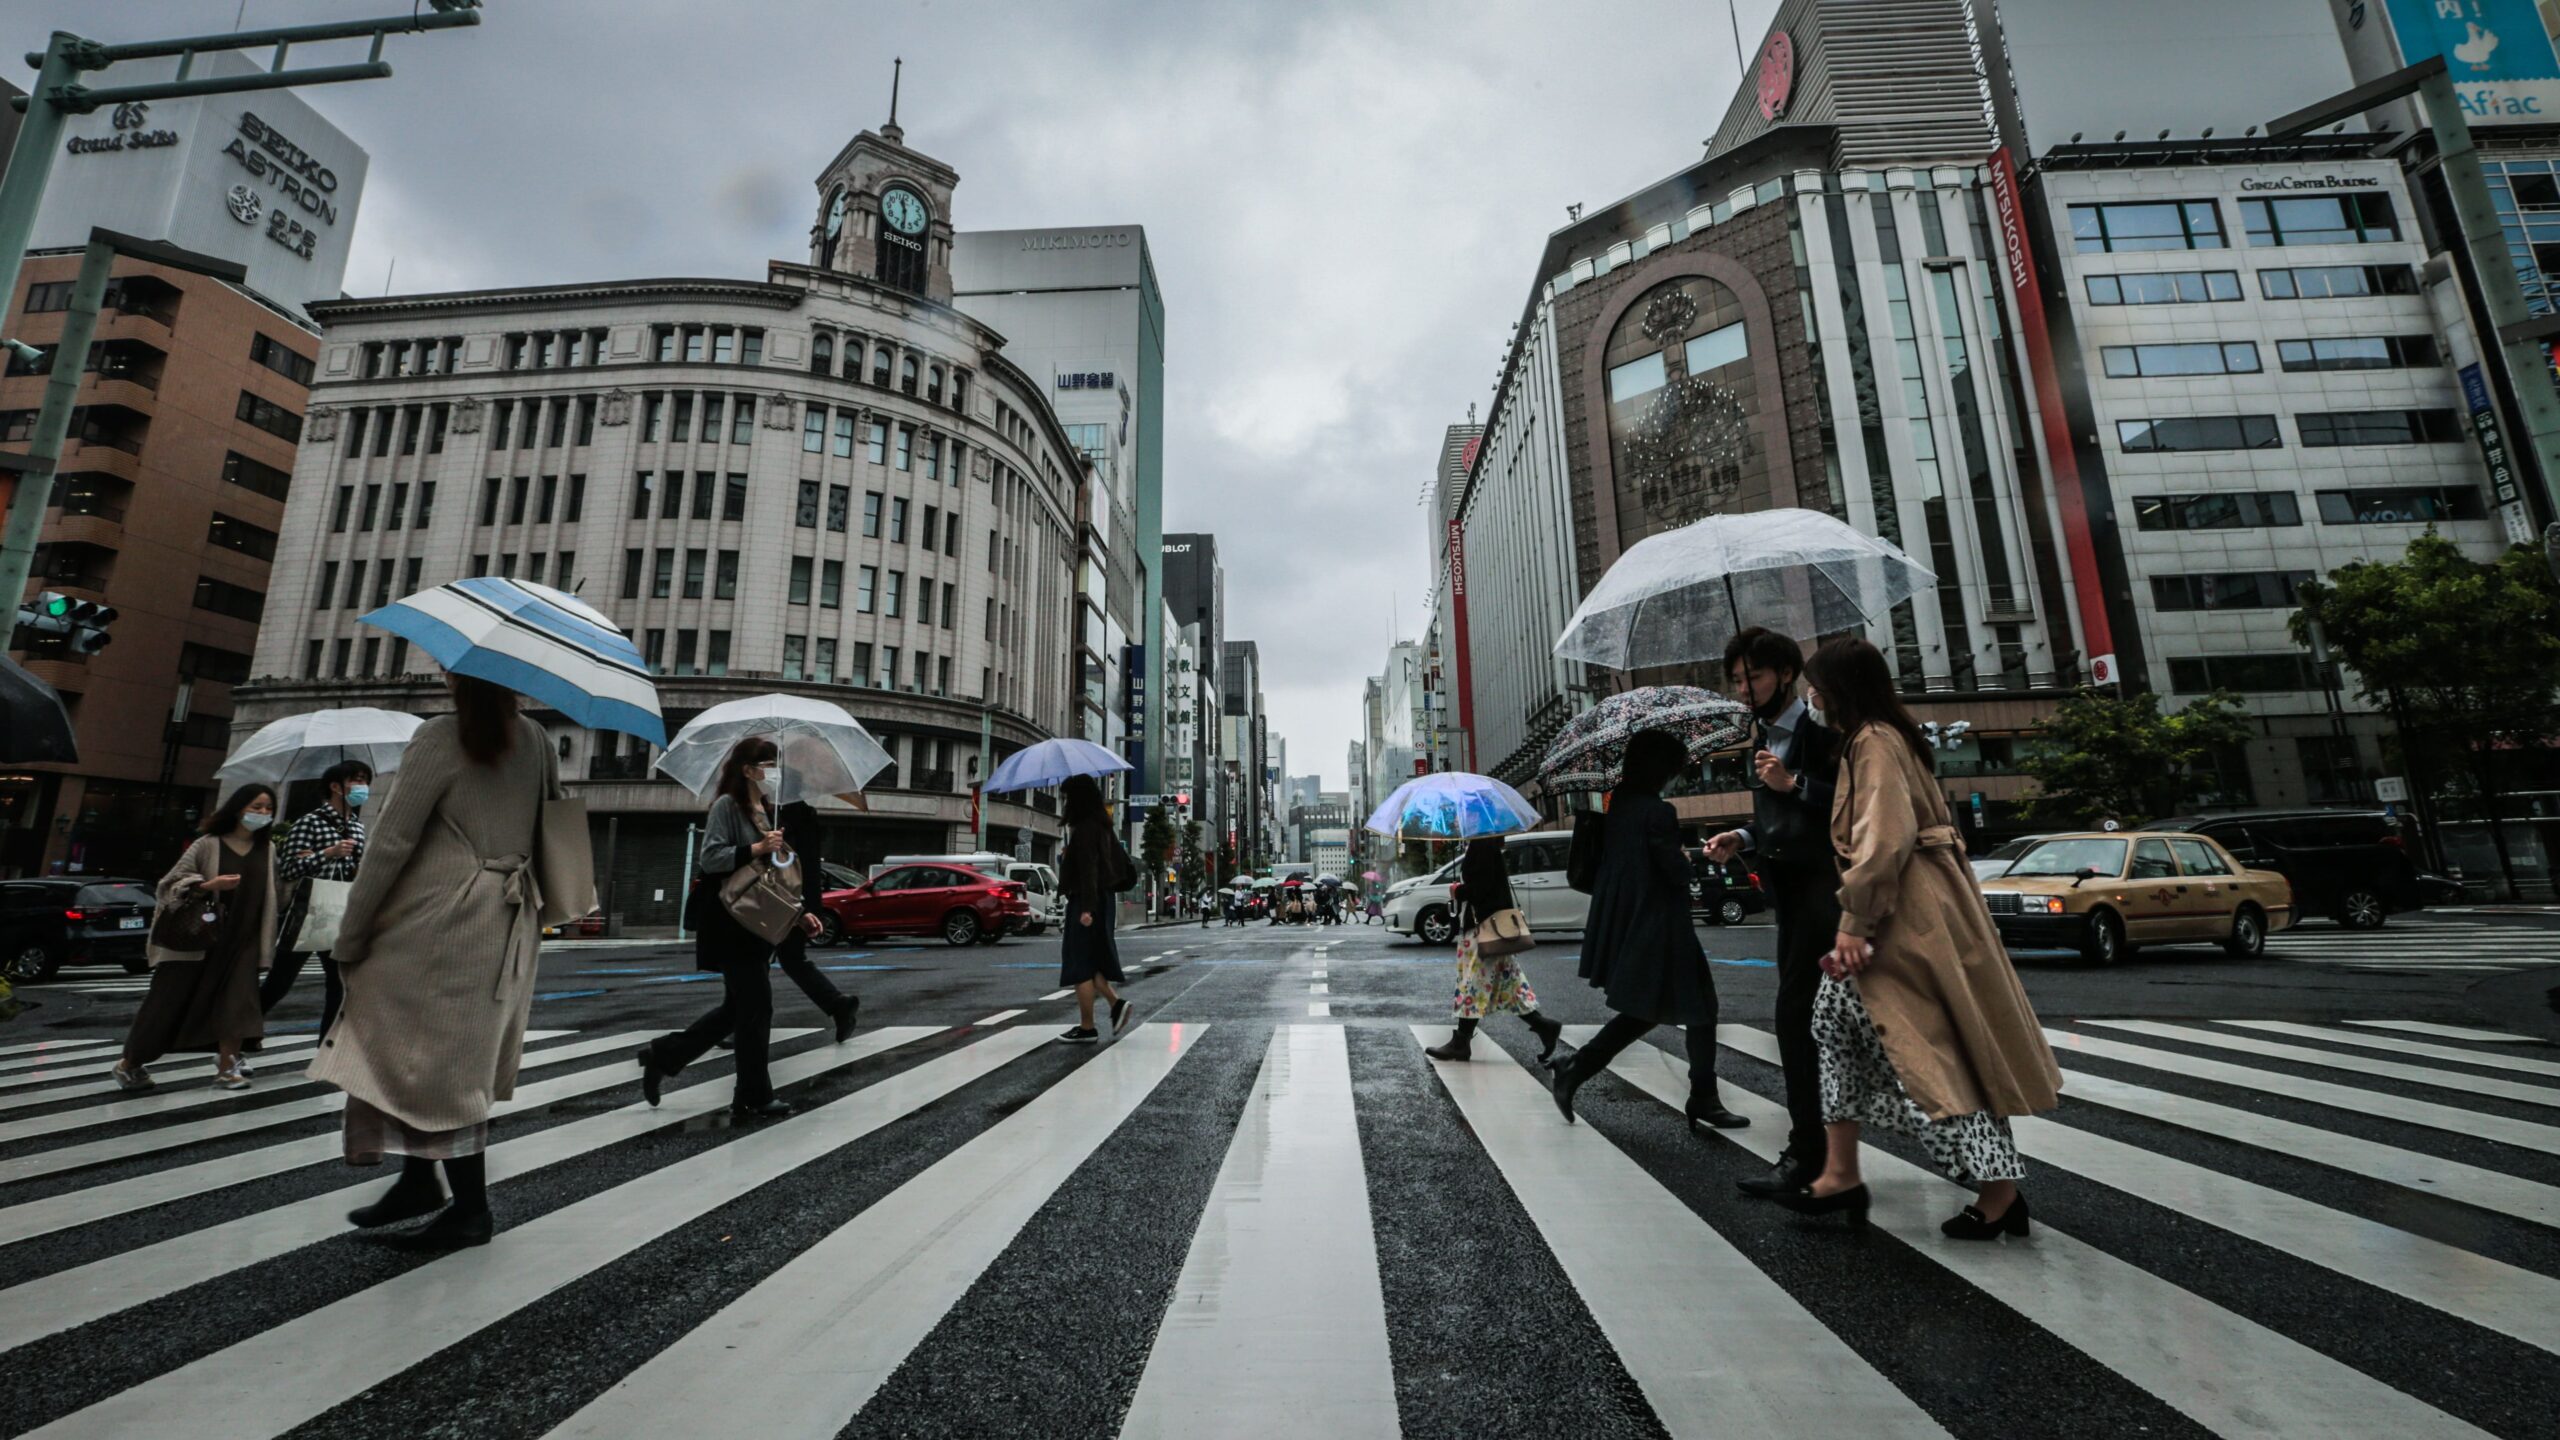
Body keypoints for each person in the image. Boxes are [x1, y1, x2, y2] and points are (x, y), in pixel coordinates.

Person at [1773, 637, 2061, 1237]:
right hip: (1912, 910)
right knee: (1838, 1027)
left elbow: (1884, 843)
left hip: (1906, 918)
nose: (1811, 694)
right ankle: (1841, 1172)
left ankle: (1997, 1190)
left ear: (1838, 688)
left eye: (1816, 683)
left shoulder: (1874, 742)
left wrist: (1853, 926)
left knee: (1930, 1054)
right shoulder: (1876, 738)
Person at [314, 675, 561, 1249]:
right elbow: (555, 826)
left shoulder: (440, 736)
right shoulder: (536, 740)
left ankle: (469, 1209)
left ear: (459, 677)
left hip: (436, 920)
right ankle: (419, 1177)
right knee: (451, 1054)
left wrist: (352, 933)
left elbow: (393, 841)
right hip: (507, 918)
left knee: (422, 1053)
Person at [1703, 626, 1844, 1200]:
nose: (1744, 688)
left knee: (1801, 1022)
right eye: (1736, 679)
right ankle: (1821, 1157)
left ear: (1786, 673)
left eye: (1753, 676)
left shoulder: (1820, 733)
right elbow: (1778, 822)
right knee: (1816, 1025)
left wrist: (1796, 783)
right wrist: (1741, 835)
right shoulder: (1762, 736)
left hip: (1828, 900)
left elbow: (1854, 800)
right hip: (1793, 900)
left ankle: (1810, 1157)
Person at [1548, 729, 1747, 1132]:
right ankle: (1701, 1097)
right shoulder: (1659, 812)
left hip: (1635, 922)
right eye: (1675, 768)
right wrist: (1686, 860)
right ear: (1661, 768)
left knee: (1652, 1010)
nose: (1677, 775)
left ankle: (1578, 1067)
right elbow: (1671, 871)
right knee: (1699, 1008)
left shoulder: (1621, 804)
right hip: (1664, 926)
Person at [637, 737, 821, 1117]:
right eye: (767, 764)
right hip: (730, 923)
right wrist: (756, 848)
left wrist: (798, 912)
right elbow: (712, 858)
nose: (774, 771)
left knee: (736, 1010)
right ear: (747, 769)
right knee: (756, 1007)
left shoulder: (766, 810)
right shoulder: (728, 806)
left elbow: (767, 878)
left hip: (755, 922)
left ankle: (663, 1055)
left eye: (776, 763)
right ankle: (753, 1094)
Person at [113, 784, 278, 1093]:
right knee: (167, 1006)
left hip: (242, 941)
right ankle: (130, 1063)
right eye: (256, 807)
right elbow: (169, 884)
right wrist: (206, 884)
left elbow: (274, 894)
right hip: (197, 940)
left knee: (238, 1005)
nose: (263, 814)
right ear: (239, 807)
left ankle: (228, 1068)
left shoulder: (268, 850)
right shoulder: (208, 844)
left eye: (268, 808)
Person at [1423, 835, 1564, 1064]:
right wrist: (1446, 909)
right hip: (1493, 928)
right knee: (1509, 986)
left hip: (1485, 930)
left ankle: (1461, 1042)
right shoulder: (1484, 842)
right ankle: (1544, 1026)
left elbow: (1483, 886)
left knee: (1472, 985)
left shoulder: (1483, 843)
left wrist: (1458, 891)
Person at [260, 760, 371, 1041]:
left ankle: (326, 1047)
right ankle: (239, 1035)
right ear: (335, 786)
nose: (362, 787)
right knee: (280, 981)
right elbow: (288, 869)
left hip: (341, 912)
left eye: (364, 781)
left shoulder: (357, 826)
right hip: (307, 911)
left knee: (339, 984)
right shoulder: (309, 822)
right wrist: (328, 853)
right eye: (355, 780)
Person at [770, 799, 860, 1043]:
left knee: (754, 962)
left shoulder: (786, 821)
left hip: (784, 902)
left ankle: (733, 1020)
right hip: (799, 901)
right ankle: (838, 1004)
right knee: (790, 960)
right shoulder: (802, 817)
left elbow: (790, 866)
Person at [1057, 774, 1136, 1043]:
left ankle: (1088, 1027)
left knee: (1080, 963)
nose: (1065, 802)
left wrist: (1087, 909)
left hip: (1087, 901)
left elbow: (1090, 870)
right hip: (1100, 899)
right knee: (1090, 962)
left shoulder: (1086, 829)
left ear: (1077, 799)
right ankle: (1115, 1005)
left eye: (1067, 797)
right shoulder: (1101, 825)